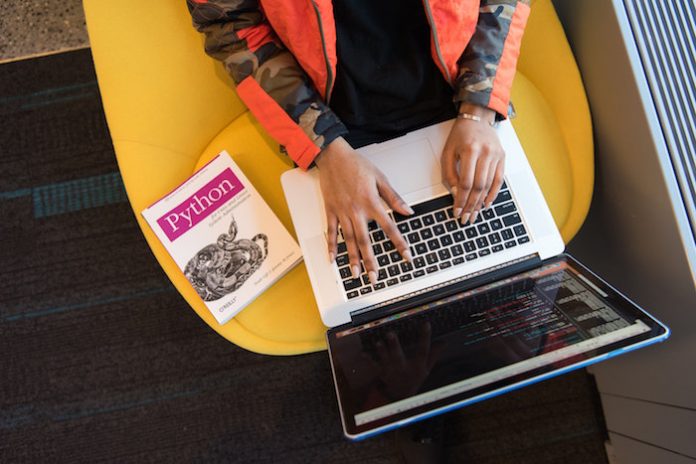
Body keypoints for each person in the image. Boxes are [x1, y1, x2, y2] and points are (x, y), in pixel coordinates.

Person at [186, 0, 531, 289]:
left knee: (516, 283)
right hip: (332, 125)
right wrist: (323, 145)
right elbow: (229, 27)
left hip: (459, 97)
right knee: (375, 312)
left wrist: (479, 106)